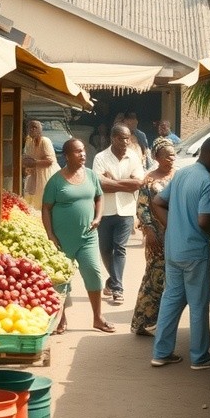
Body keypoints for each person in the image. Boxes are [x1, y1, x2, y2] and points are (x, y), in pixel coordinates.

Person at [150, 137, 210, 370]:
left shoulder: (181, 174)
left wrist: (172, 226)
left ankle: (160, 353)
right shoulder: (208, 183)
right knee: (199, 303)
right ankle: (200, 357)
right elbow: (204, 221)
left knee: (171, 299)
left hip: (174, 249)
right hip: (194, 252)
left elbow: (157, 201)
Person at [41, 139, 115, 334]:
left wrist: (98, 217)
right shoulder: (56, 181)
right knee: (62, 280)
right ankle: (61, 318)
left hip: (88, 237)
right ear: (66, 156)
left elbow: (99, 197)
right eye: (77, 152)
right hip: (62, 240)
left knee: (94, 273)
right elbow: (46, 208)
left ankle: (98, 318)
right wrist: (50, 234)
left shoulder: (91, 176)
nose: (83, 155)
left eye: (83, 151)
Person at [92, 124, 145, 304]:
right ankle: (112, 280)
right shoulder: (100, 158)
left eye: (128, 138)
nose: (126, 141)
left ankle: (117, 288)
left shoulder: (134, 157)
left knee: (119, 248)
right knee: (106, 249)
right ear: (113, 138)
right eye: (122, 138)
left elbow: (138, 183)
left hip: (126, 211)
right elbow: (99, 184)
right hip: (105, 211)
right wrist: (125, 184)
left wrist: (112, 181)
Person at [130, 138, 176, 336]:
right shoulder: (149, 181)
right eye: (167, 156)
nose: (171, 159)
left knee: (172, 280)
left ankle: (163, 323)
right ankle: (142, 323)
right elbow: (142, 209)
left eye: (173, 154)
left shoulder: (179, 176)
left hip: (178, 233)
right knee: (155, 279)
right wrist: (149, 231)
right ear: (157, 157)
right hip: (159, 235)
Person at [22, 120, 59, 209]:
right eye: (30, 127)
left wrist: (34, 162)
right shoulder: (29, 141)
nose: (32, 130)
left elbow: (50, 161)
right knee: (31, 202)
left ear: (40, 130)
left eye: (35, 127)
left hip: (46, 175)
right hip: (34, 175)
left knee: (43, 202)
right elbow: (26, 157)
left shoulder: (45, 141)